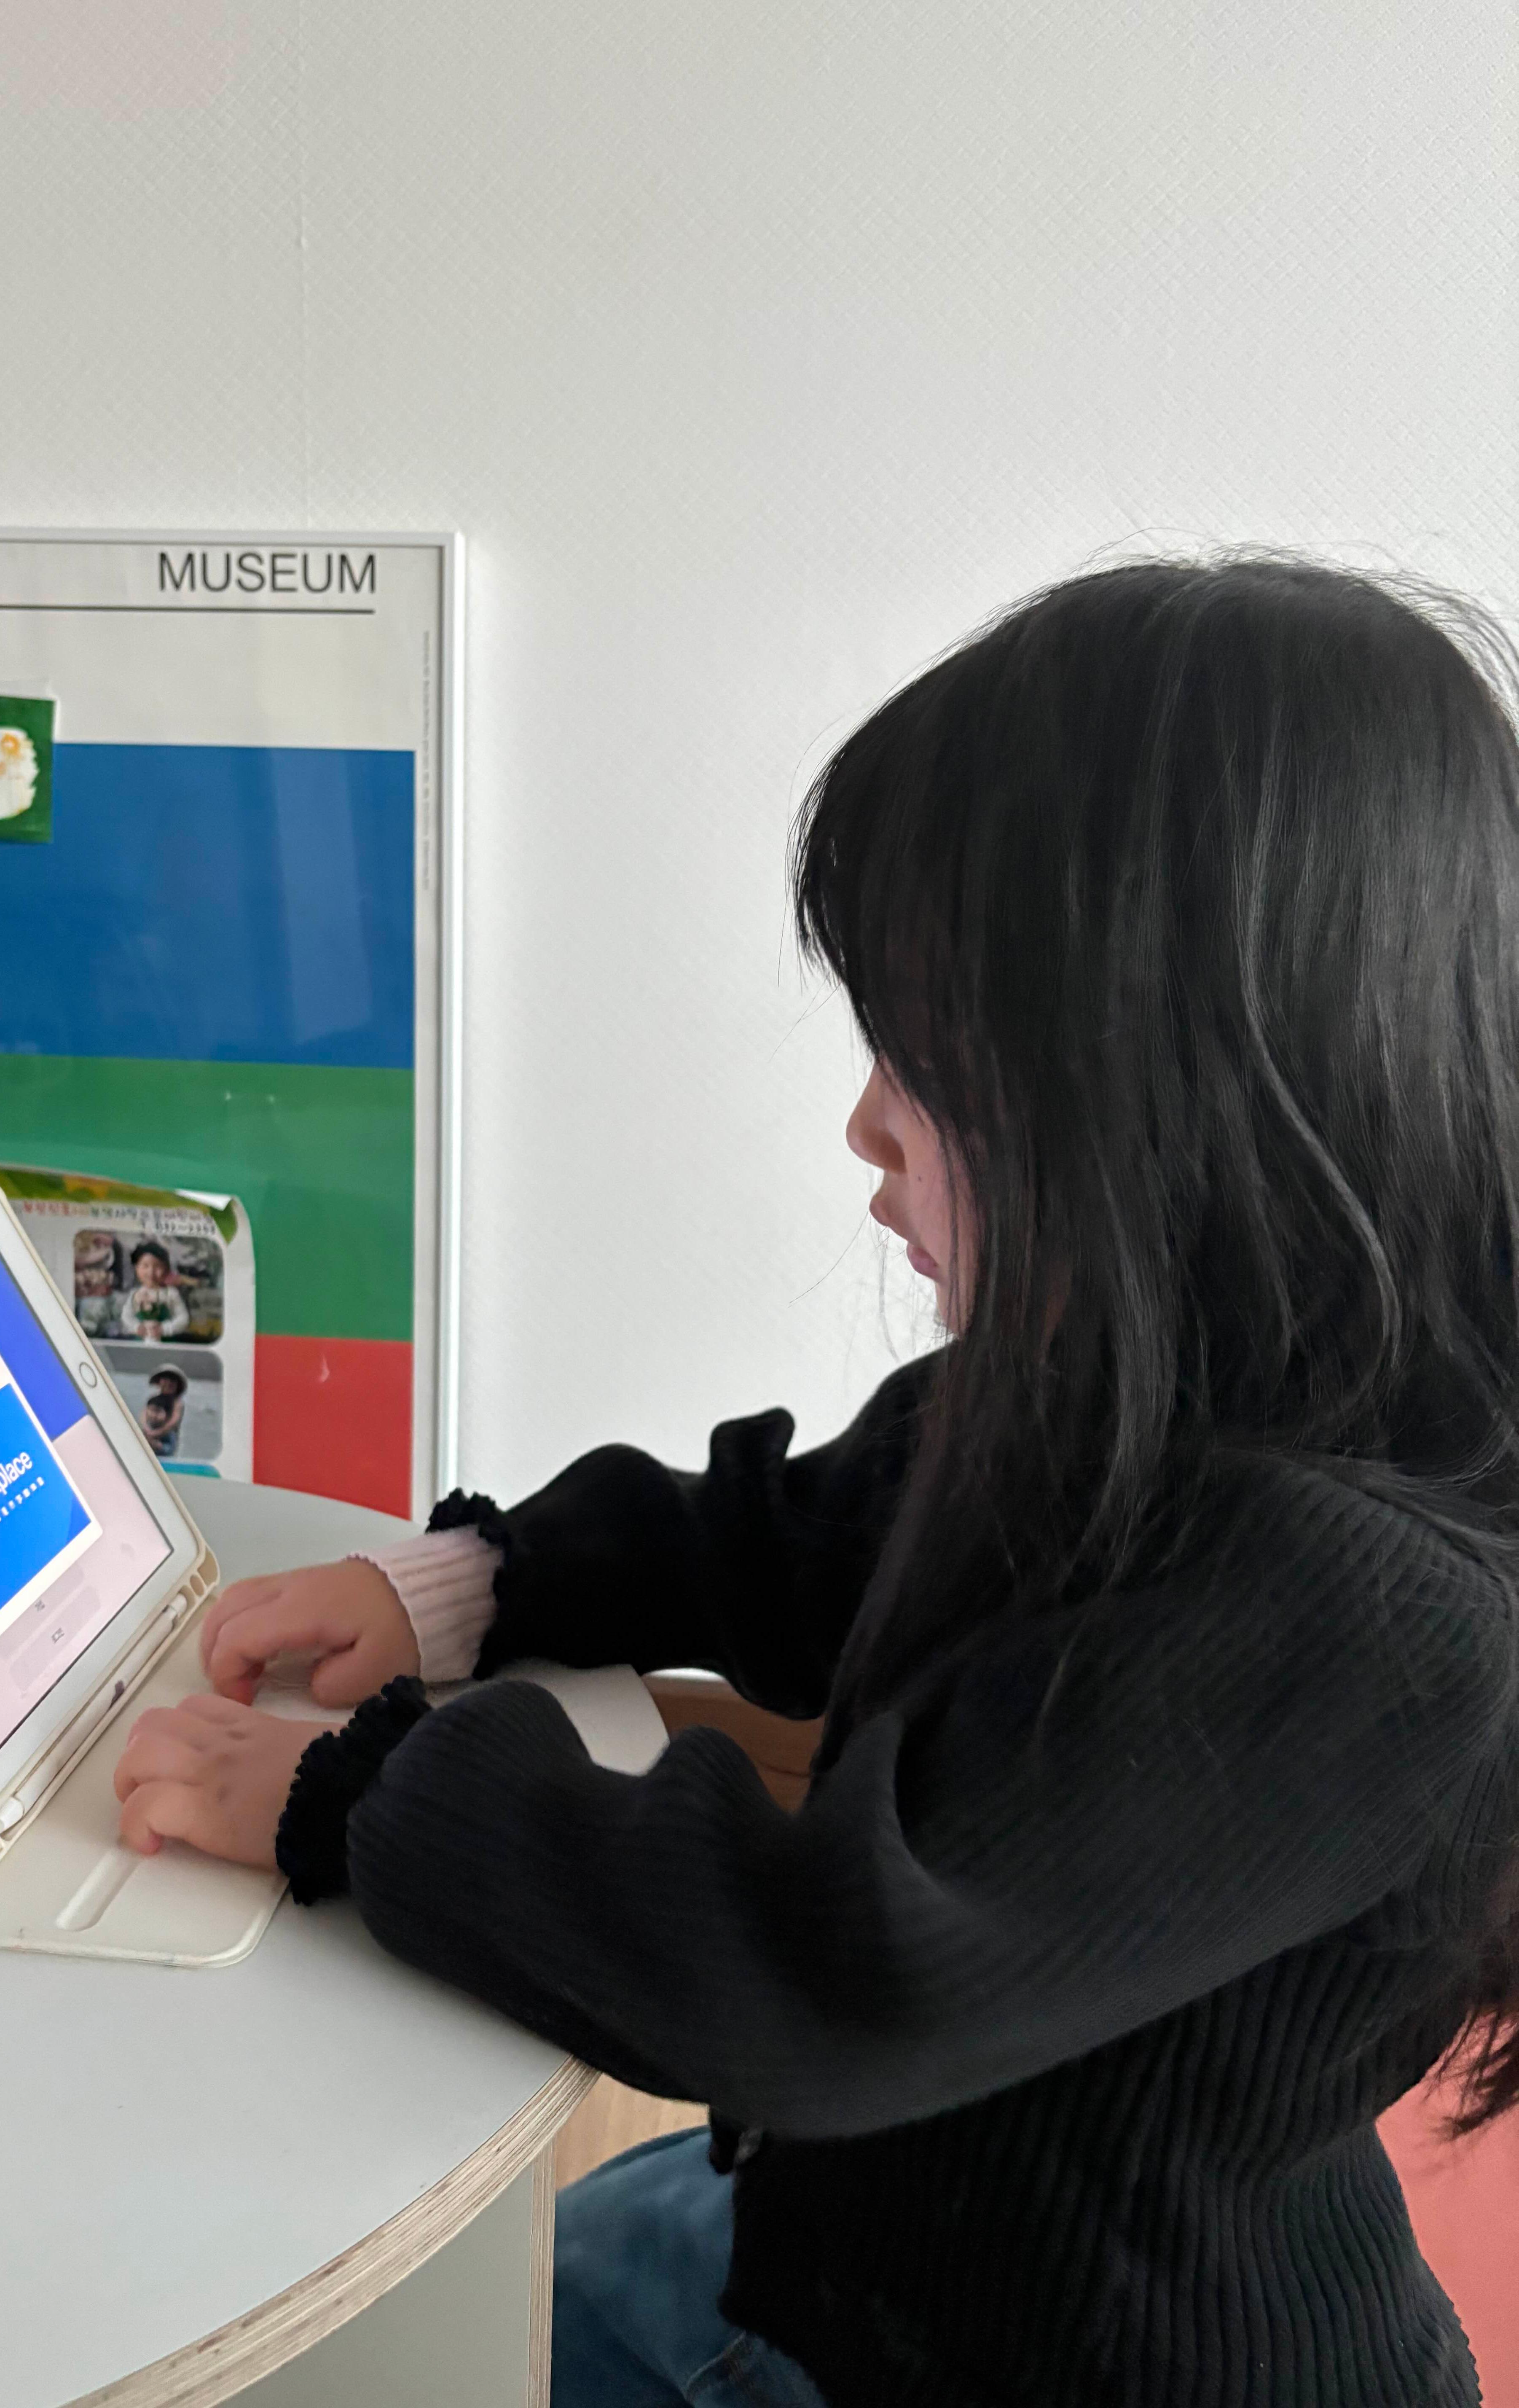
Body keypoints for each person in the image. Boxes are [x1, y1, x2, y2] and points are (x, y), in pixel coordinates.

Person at [112, 552, 1519, 2408]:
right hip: (855, 2223)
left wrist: (350, 1792)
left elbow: (814, 1978)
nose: (863, 1120)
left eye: (936, 1067)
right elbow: (780, 1536)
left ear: (1197, 1109)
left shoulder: (1360, 1615)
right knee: (503, 2287)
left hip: (1051, 2363)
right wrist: (463, 1587)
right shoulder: (1108, 1392)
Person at [118, 1239, 188, 1342]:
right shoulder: (135, 1294)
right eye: (145, 1266)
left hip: (167, 1343)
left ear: (166, 1269)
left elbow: (183, 1319)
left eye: (158, 1267)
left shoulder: (171, 1294)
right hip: (140, 1343)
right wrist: (137, 1327)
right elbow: (126, 1317)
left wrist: (164, 1329)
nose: (151, 1272)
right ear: (137, 1269)